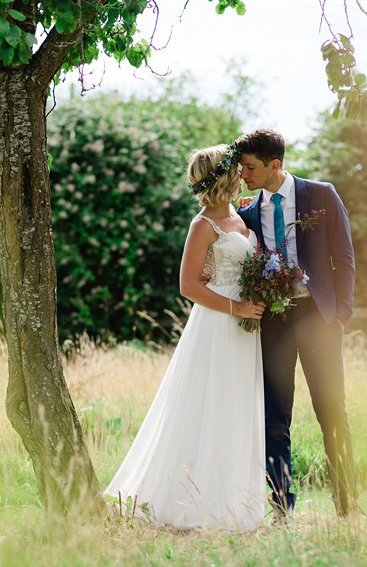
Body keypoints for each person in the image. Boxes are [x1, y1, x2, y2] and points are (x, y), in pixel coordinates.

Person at [104, 144, 267, 530]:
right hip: (218, 326)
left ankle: (236, 500)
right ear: (224, 175)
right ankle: (193, 503)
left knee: (238, 405)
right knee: (210, 405)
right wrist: (237, 308)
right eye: (236, 168)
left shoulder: (238, 214)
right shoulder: (202, 225)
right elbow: (188, 286)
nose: (242, 172)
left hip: (246, 329)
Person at [234, 128, 359, 520]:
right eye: (240, 167)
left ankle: (347, 504)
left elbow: (345, 257)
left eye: (250, 167)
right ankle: (280, 507)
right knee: (274, 416)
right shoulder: (247, 211)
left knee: (331, 411)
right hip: (274, 322)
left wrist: (340, 315)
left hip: (320, 318)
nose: (243, 175)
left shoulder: (321, 194)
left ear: (275, 164)